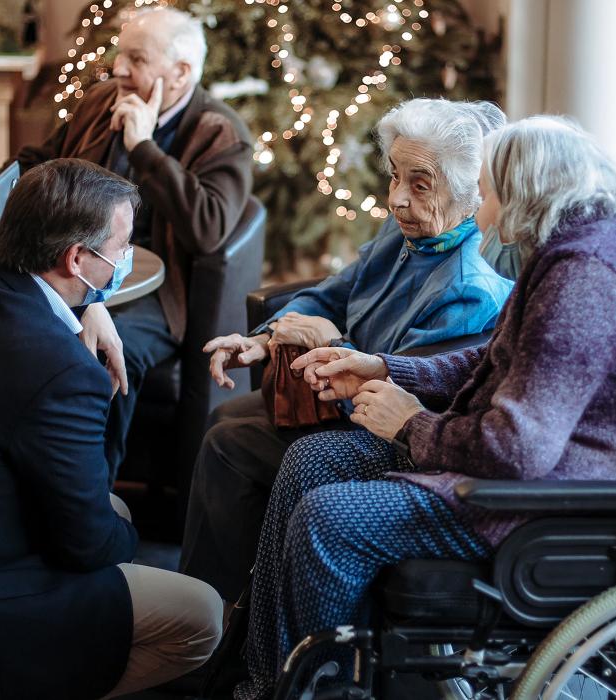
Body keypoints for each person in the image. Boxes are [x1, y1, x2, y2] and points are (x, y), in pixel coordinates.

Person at [234, 116, 616, 700]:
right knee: (311, 460)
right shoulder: (576, 247)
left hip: (550, 500)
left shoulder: (586, 280)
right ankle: (271, 681)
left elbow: (517, 450)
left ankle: (325, 688)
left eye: (490, 187)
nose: (483, 200)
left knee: (328, 520)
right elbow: (494, 355)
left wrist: (411, 425)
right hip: (526, 471)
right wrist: (385, 368)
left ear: (524, 191)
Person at [180, 98, 514, 603]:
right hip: (333, 396)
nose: (397, 199)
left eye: (419, 183)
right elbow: (334, 291)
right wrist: (264, 339)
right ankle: (225, 603)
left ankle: (222, 617)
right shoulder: (408, 229)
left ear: (471, 192)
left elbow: (394, 395)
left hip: (379, 434)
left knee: (229, 447)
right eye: (394, 177)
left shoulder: (468, 287)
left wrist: (331, 344)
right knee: (223, 418)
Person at [0, 159, 222, 699]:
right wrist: (128, 540)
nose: (124, 260)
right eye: (121, 248)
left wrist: (86, 309)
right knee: (202, 615)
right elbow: (86, 544)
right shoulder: (64, 374)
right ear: (76, 259)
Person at [0, 7, 254, 481]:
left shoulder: (220, 131)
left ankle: (90, 486)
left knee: (106, 353)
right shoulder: (102, 100)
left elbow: (209, 227)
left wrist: (143, 148)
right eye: (120, 56)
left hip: (157, 290)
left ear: (180, 72)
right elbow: (39, 160)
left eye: (136, 59)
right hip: (71, 267)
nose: (118, 70)